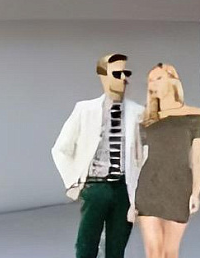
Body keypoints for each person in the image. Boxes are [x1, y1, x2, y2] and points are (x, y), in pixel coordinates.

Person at [51, 52, 145, 258]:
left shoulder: (138, 112)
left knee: (117, 246)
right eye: (117, 73)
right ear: (103, 76)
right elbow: (60, 149)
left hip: (123, 189)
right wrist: (74, 182)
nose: (124, 78)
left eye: (126, 73)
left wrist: (140, 195)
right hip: (95, 187)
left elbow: (144, 156)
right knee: (86, 244)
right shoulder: (85, 110)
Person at [131, 63, 200, 258]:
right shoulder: (145, 119)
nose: (153, 84)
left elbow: (198, 159)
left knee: (170, 251)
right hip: (149, 188)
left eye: (158, 78)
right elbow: (136, 160)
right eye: (150, 80)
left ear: (173, 80)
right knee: (153, 251)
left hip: (179, 187)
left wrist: (195, 192)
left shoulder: (194, 116)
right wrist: (130, 198)